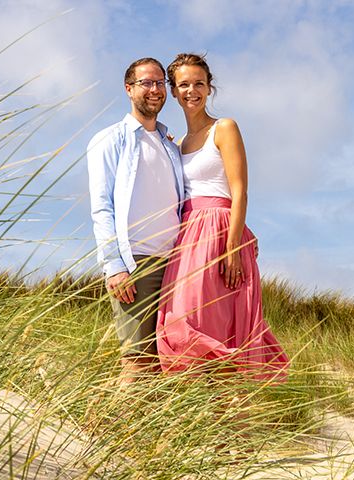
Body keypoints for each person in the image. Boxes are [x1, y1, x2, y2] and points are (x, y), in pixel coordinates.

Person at [156, 53, 288, 379]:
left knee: (218, 324)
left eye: (199, 83)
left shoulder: (224, 128)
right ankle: (201, 415)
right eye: (184, 84)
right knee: (180, 320)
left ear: (209, 87)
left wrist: (231, 249)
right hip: (186, 238)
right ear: (173, 91)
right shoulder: (179, 142)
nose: (192, 91)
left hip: (219, 231)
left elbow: (240, 191)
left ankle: (229, 416)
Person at [87, 58, 187, 383]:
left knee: (167, 361)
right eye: (146, 82)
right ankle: (107, 431)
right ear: (129, 89)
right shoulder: (110, 139)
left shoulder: (170, 145)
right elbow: (102, 207)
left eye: (160, 82)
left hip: (175, 265)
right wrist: (113, 265)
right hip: (136, 264)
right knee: (136, 361)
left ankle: (148, 432)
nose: (155, 89)